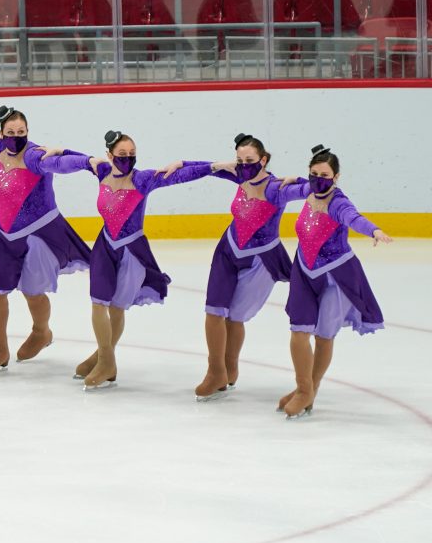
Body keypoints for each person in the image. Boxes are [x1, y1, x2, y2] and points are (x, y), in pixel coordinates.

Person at [76, 130, 214, 389]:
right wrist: (62, 152)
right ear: (109, 155)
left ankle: (105, 360)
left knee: (116, 306)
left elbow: (183, 176)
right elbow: (72, 162)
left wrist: (208, 166)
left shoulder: (142, 179)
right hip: (105, 245)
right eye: (122, 155)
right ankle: (105, 357)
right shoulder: (102, 172)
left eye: (132, 155)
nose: (128, 159)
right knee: (97, 303)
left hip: (131, 249)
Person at [0, 106, 94, 375]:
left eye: (21, 132)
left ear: (28, 132)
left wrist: (88, 161)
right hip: (0, 233)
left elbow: (60, 162)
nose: (16, 137)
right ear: (1, 133)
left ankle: (41, 332)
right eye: (10, 132)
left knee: (33, 292)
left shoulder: (35, 156)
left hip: (37, 233)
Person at [195, 133, 309, 401]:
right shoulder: (239, 176)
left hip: (261, 258)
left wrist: (300, 180)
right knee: (214, 310)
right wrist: (181, 163)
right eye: (240, 160)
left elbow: (316, 189)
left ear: (264, 160)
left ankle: (229, 370)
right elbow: (206, 168)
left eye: (250, 160)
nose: (244, 165)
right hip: (228, 249)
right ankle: (215, 371)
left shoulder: (277, 189)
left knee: (235, 316)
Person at [280, 145, 391, 418]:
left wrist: (373, 230)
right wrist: (284, 181)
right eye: (314, 174)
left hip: (336, 276)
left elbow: (354, 219)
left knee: (323, 335)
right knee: (298, 332)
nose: (319, 179)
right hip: (305, 272)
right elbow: (278, 192)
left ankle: (309, 391)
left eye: (325, 175)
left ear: (336, 176)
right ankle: (303, 388)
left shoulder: (338, 203)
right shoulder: (308, 190)